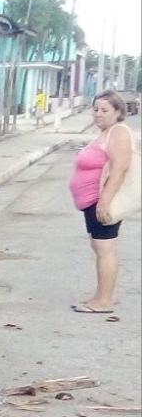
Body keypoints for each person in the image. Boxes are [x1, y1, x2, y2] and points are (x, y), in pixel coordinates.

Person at [69, 91, 133, 313]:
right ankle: (101, 296)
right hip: (93, 201)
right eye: (95, 109)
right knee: (100, 246)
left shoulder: (119, 132)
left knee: (105, 247)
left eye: (105, 110)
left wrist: (104, 202)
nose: (98, 114)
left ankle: (104, 302)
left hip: (102, 202)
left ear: (118, 112)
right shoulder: (106, 133)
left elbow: (120, 168)